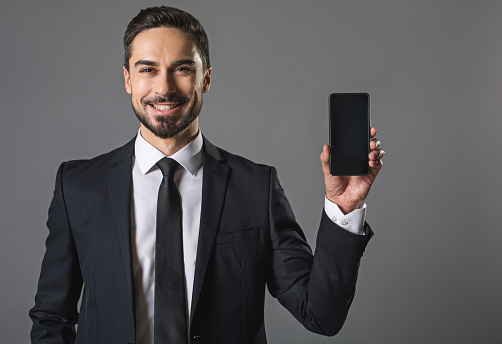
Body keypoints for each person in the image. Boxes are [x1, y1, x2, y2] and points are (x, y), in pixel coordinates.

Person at [29, 6, 384, 344]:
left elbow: (321, 314)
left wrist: (344, 207)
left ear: (206, 78)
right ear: (127, 79)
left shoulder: (256, 189)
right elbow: (51, 318)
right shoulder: (77, 187)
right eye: (147, 69)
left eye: (182, 68)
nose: (164, 88)